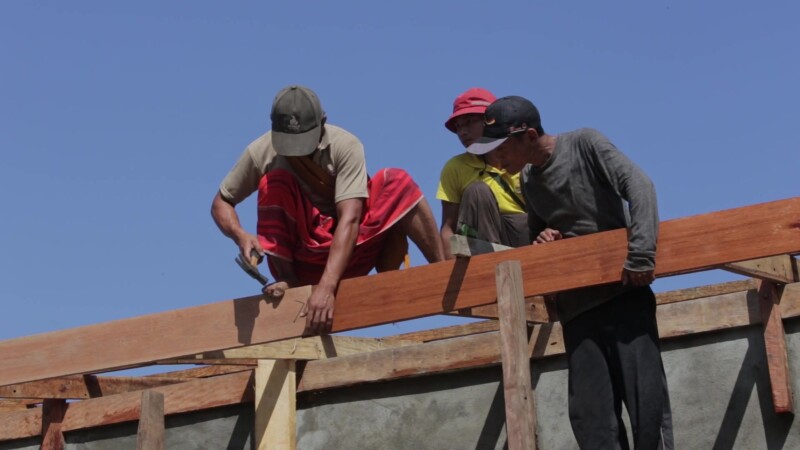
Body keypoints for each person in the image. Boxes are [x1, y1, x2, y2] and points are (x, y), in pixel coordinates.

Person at [468, 96, 673, 449]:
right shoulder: (530, 179)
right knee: (591, 420)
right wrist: (543, 239)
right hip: (577, 311)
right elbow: (538, 235)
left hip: (623, 295)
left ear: (529, 136)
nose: (495, 158)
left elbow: (641, 187)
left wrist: (640, 257)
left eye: (501, 149)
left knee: (647, 409)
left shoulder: (584, 144)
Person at [212, 85, 444, 334]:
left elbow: (351, 219)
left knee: (397, 181)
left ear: (323, 122)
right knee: (273, 182)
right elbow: (221, 202)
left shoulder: (345, 145)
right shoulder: (261, 151)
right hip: (305, 259)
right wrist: (240, 234)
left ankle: (443, 269)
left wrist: (327, 288)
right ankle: (288, 279)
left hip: (353, 250)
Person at [437, 88, 529, 258]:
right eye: (458, 126)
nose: (462, 132)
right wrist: (447, 272)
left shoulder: (523, 160)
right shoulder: (456, 167)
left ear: (491, 122)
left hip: (525, 239)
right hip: (481, 242)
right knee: (477, 191)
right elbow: (448, 227)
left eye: (470, 122)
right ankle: (490, 263)